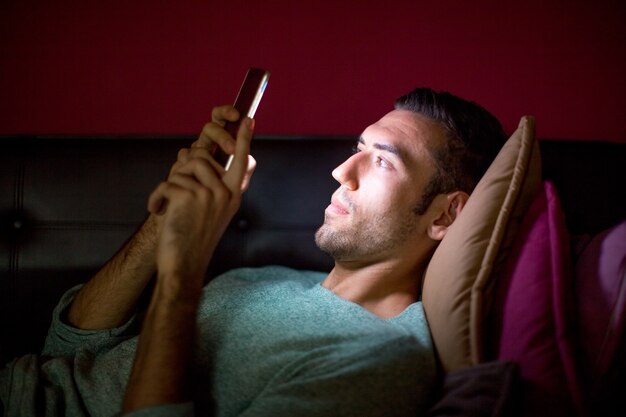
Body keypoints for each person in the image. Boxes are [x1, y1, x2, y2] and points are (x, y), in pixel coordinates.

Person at [0, 88, 507, 417]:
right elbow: (65, 352)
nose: (341, 172)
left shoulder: (378, 360)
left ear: (444, 215)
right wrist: (167, 222)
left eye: (380, 161)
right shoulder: (263, 279)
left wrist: (182, 274)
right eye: (357, 147)